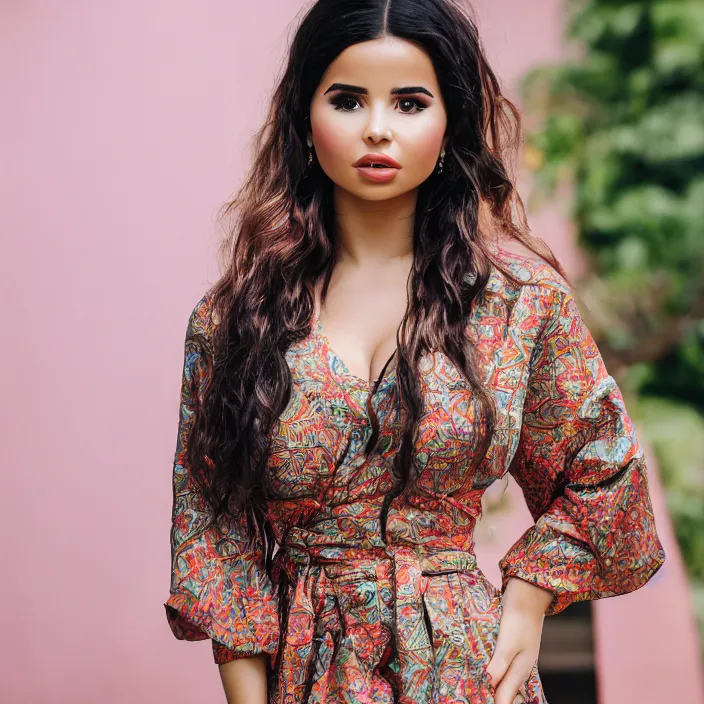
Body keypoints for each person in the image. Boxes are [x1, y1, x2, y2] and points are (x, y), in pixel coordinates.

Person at [163, 0, 666, 702]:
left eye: (408, 102)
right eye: (346, 100)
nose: (376, 128)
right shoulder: (234, 321)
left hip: (467, 671)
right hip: (309, 677)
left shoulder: (519, 301)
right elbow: (216, 541)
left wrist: (529, 589)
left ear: (449, 120)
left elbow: (604, 472)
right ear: (305, 117)